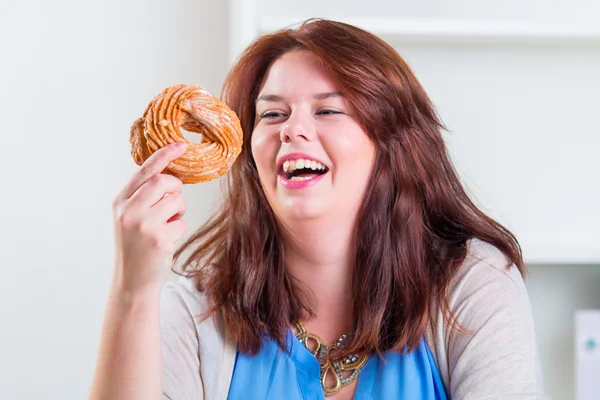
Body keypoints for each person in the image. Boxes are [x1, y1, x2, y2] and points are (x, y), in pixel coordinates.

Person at [90, 18, 548, 400]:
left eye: (328, 111)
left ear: (391, 143)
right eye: (272, 114)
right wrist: (133, 289)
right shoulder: (196, 312)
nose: (292, 130)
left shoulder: (473, 288)